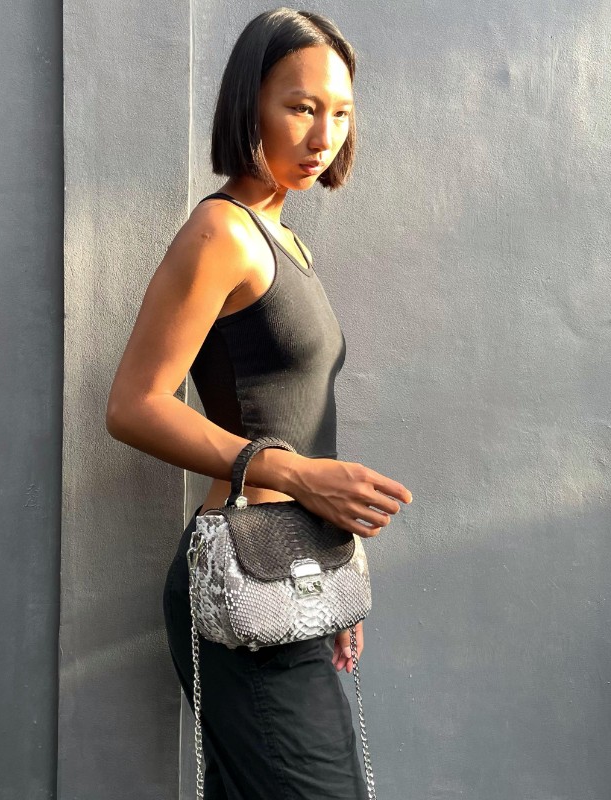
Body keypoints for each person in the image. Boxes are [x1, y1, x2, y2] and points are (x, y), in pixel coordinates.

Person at [106, 8, 413, 798]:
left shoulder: (284, 240)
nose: (324, 135)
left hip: (293, 573)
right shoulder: (224, 233)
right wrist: (299, 477)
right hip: (244, 582)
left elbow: (300, 417)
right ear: (250, 105)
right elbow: (134, 404)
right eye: (302, 107)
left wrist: (335, 573)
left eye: (340, 113)